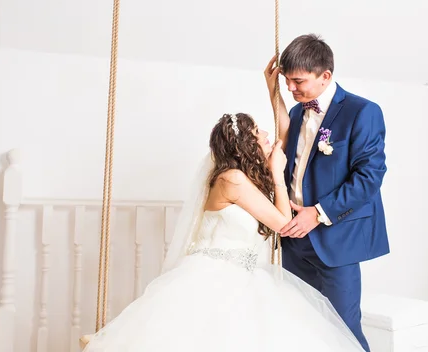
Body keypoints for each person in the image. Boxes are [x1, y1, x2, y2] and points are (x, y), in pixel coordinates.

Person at [82, 112, 365, 351]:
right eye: (257, 131)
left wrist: (272, 92)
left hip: (244, 277)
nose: (265, 133)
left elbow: (286, 141)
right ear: (244, 144)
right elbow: (284, 224)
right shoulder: (233, 179)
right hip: (213, 277)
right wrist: (277, 172)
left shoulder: (248, 181)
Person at [263, 34, 389, 351]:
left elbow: (370, 177)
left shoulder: (363, 112)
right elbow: (286, 148)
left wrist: (318, 214)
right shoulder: (296, 112)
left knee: (343, 331)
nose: (291, 89)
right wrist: (273, 91)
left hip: (336, 241)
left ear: (325, 76)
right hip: (294, 240)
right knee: (302, 328)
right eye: (287, 82)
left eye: (297, 81)